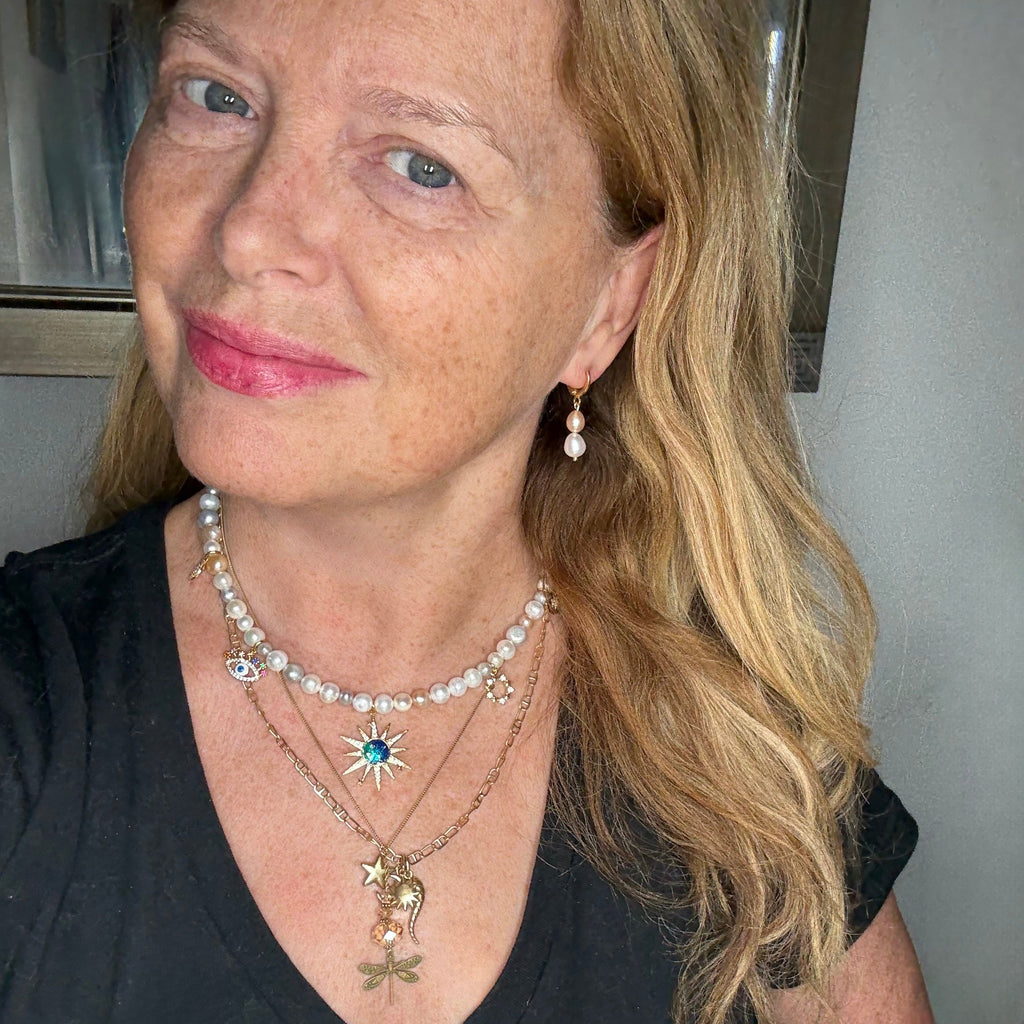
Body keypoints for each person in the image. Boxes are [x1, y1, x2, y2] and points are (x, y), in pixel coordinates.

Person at [0, 0, 934, 1021]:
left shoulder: (750, 785)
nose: (249, 230)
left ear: (611, 300)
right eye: (216, 97)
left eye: (420, 166)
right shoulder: (27, 712)